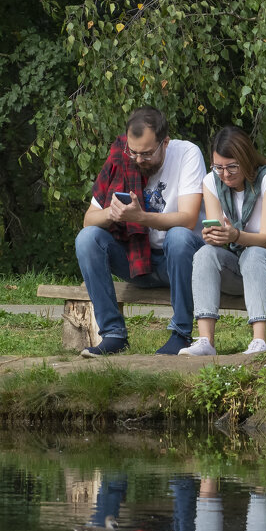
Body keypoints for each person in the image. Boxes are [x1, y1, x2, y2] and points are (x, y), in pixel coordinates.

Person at [75, 107, 206, 357]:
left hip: (180, 262)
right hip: (138, 261)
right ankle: (113, 335)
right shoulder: (121, 156)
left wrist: (140, 218)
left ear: (164, 142)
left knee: (178, 237)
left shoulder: (187, 153)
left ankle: (181, 334)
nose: (137, 160)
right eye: (133, 152)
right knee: (87, 239)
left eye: (146, 154)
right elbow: (88, 220)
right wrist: (112, 214)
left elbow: (189, 219)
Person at [179, 126, 266, 356]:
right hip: (242, 267)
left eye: (232, 166)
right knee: (205, 254)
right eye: (219, 167)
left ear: (245, 158)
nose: (225, 174)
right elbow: (219, 234)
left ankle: (259, 342)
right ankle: (206, 341)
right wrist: (214, 236)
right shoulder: (211, 182)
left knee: (254, 253)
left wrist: (235, 235)